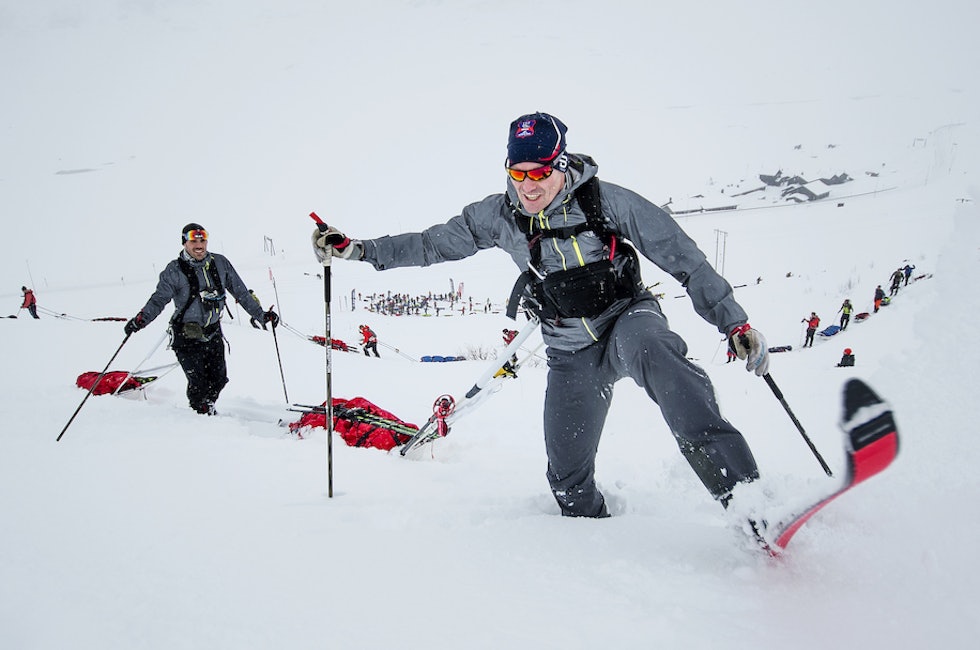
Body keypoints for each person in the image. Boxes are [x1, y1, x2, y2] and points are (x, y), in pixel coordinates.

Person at [312, 111, 771, 521]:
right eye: (518, 172)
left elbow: (681, 256)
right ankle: (592, 534)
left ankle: (750, 503)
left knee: (659, 357)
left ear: (561, 164)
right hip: (570, 350)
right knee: (568, 485)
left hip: (628, 321)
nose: (529, 185)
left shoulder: (607, 201)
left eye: (541, 172)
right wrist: (359, 250)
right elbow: (432, 244)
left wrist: (735, 323)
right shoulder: (498, 216)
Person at [124, 223, 278, 415]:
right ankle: (201, 417)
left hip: (212, 332)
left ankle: (207, 407)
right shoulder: (174, 271)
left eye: (202, 240)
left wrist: (261, 315)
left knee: (219, 379)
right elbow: (159, 299)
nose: (199, 245)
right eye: (193, 241)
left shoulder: (220, 264)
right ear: (184, 243)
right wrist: (141, 319)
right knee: (198, 384)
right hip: (186, 335)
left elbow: (241, 293)